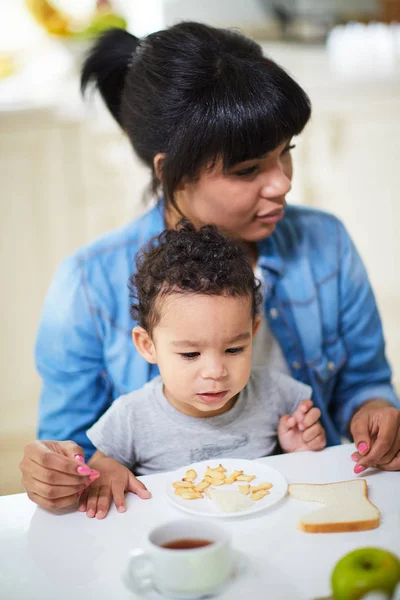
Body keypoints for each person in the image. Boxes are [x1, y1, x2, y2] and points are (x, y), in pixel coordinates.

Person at [20, 22, 400, 511]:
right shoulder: (87, 284)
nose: (281, 183)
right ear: (168, 171)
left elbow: (363, 380)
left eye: (286, 153)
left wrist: (375, 411)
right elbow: (71, 445)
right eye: (247, 170)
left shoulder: (326, 242)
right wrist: (57, 470)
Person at [81, 221, 326, 518]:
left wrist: (297, 452)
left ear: (253, 331)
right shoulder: (132, 416)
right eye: (190, 353)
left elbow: (301, 482)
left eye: (234, 349)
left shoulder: (278, 395)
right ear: (147, 345)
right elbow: (99, 469)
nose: (215, 371)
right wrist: (105, 471)